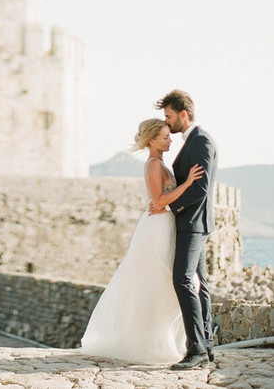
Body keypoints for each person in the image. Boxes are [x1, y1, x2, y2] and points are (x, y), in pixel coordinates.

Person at [80, 118, 203, 364]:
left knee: (168, 284)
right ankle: (149, 341)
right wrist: (188, 183)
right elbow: (158, 202)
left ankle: (166, 341)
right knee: (158, 283)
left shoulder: (160, 163)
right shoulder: (154, 164)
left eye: (170, 135)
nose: (170, 140)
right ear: (152, 140)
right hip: (157, 229)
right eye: (166, 137)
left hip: (163, 226)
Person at [153, 89, 218, 370]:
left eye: (168, 117)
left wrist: (170, 207)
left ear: (183, 114)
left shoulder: (202, 141)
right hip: (193, 222)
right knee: (199, 284)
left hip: (193, 223)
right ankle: (205, 345)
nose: (166, 124)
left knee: (182, 280)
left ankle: (196, 349)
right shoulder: (192, 141)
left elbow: (200, 190)